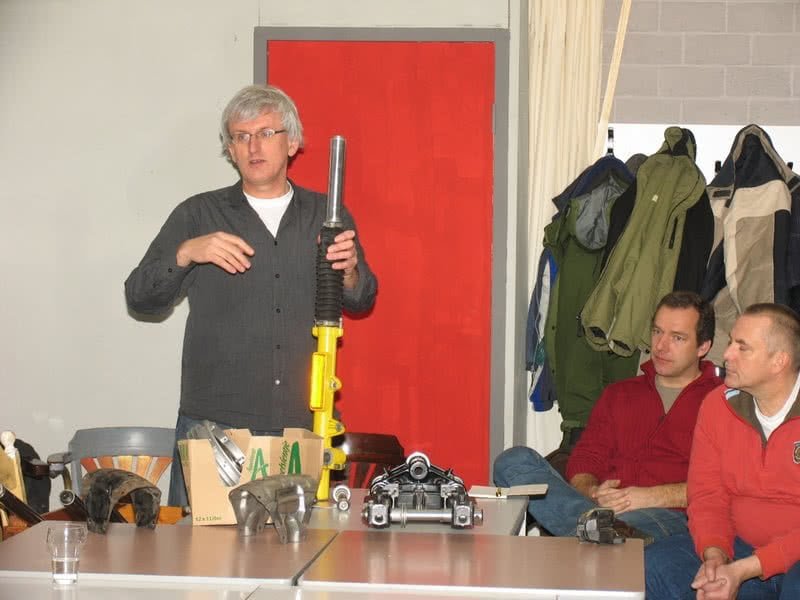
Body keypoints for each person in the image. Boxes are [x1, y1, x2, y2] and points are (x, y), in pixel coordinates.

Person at [125, 84, 377, 506]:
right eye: (241, 137)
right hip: (214, 428)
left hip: (303, 426)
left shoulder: (326, 214)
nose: (253, 146)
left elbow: (362, 298)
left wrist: (350, 271)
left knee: (301, 546)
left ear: (292, 143)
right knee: (199, 548)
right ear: (230, 150)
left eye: (265, 133)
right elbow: (140, 297)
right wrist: (186, 253)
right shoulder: (198, 214)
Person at [493, 291, 720, 541]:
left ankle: (599, 529)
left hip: (669, 515)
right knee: (512, 461)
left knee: (624, 523)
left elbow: (725, 483)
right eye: (657, 332)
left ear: (703, 347)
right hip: (601, 507)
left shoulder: (723, 403)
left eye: (677, 337)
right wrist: (592, 491)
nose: (660, 346)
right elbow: (587, 458)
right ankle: (597, 527)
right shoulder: (620, 393)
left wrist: (647, 497)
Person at [646, 303, 800, 599]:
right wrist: (715, 555)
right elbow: (707, 494)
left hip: (791, 558)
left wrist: (745, 569)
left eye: (742, 347)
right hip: (739, 547)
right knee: (650, 568)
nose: (727, 354)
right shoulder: (718, 405)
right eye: (730, 342)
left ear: (779, 361)